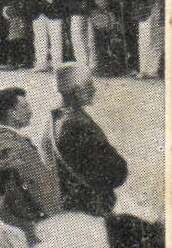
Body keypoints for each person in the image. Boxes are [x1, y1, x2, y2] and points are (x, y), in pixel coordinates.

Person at [41, 65, 128, 217]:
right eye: (89, 86)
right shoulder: (77, 125)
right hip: (89, 206)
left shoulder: (55, 117)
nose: (94, 90)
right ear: (76, 91)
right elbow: (114, 170)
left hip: (72, 201)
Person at [0, 86, 62, 230]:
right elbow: (40, 187)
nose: (30, 111)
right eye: (25, 107)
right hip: (30, 223)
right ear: (12, 113)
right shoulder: (20, 147)